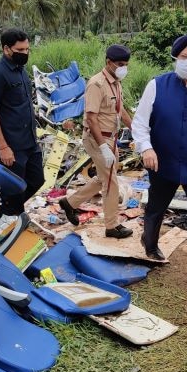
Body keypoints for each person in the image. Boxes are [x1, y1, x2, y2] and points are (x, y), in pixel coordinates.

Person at [132, 33, 187, 293]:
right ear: (175, 58)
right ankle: (150, 243)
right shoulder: (157, 85)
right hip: (163, 161)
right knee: (156, 208)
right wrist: (146, 148)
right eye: (184, 57)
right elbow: (139, 123)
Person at [59, 45, 134, 239]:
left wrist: (135, 128)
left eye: (125, 65)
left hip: (111, 138)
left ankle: (70, 203)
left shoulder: (116, 83)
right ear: (108, 62)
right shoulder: (96, 84)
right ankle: (111, 226)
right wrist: (103, 146)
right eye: (119, 64)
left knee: (104, 178)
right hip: (97, 139)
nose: (123, 68)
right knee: (111, 182)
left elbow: (120, 110)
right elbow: (91, 118)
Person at [0, 28, 44, 217]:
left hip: (29, 141)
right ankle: (9, 218)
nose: (25, 54)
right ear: (6, 49)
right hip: (11, 144)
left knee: (37, 180)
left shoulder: (21, 70)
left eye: (27, 50)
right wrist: (3, 147)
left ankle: (3, 211)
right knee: (15, 189)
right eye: (20, 50)